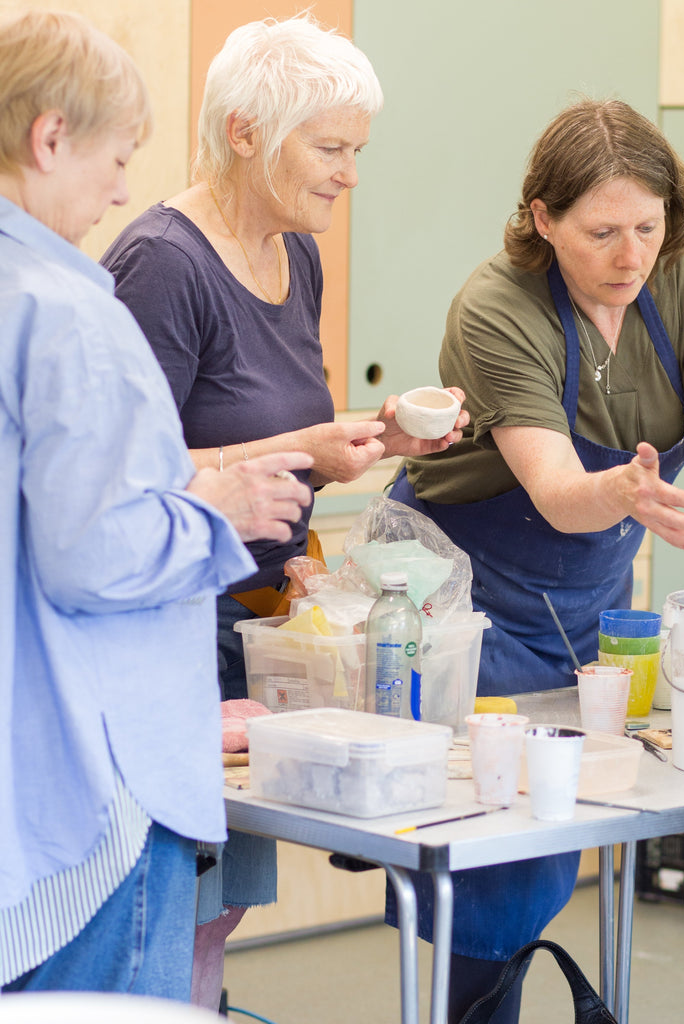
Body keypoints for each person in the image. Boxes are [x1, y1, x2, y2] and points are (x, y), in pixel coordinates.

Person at [390, 98, 684, 1022]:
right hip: (465, 591)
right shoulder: (497, 306)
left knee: (567, 817)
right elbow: (561, 490)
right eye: (601, 231)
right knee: (494, 843)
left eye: (647, 227)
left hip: (585, 593)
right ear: (544, 219)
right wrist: (628, 495)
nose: (630, 257)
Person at [100, 14, 468, 1008]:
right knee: (164, 912)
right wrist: (301, 446)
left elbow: (276, 457)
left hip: (257, 631)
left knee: (218, 910)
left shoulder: (294, 255)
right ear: (248, 132)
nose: (350, 173)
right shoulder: (164, 265)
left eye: (357, 150)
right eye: (331, 147)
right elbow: (120, 477)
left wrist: (362, 446)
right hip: (169, 642)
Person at [0, 9, 312, 999]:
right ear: (50, 137)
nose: (125, 191)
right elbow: (95, 554)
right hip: (96, 799)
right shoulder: (66, 307)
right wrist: (209, 502)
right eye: (118, 157)